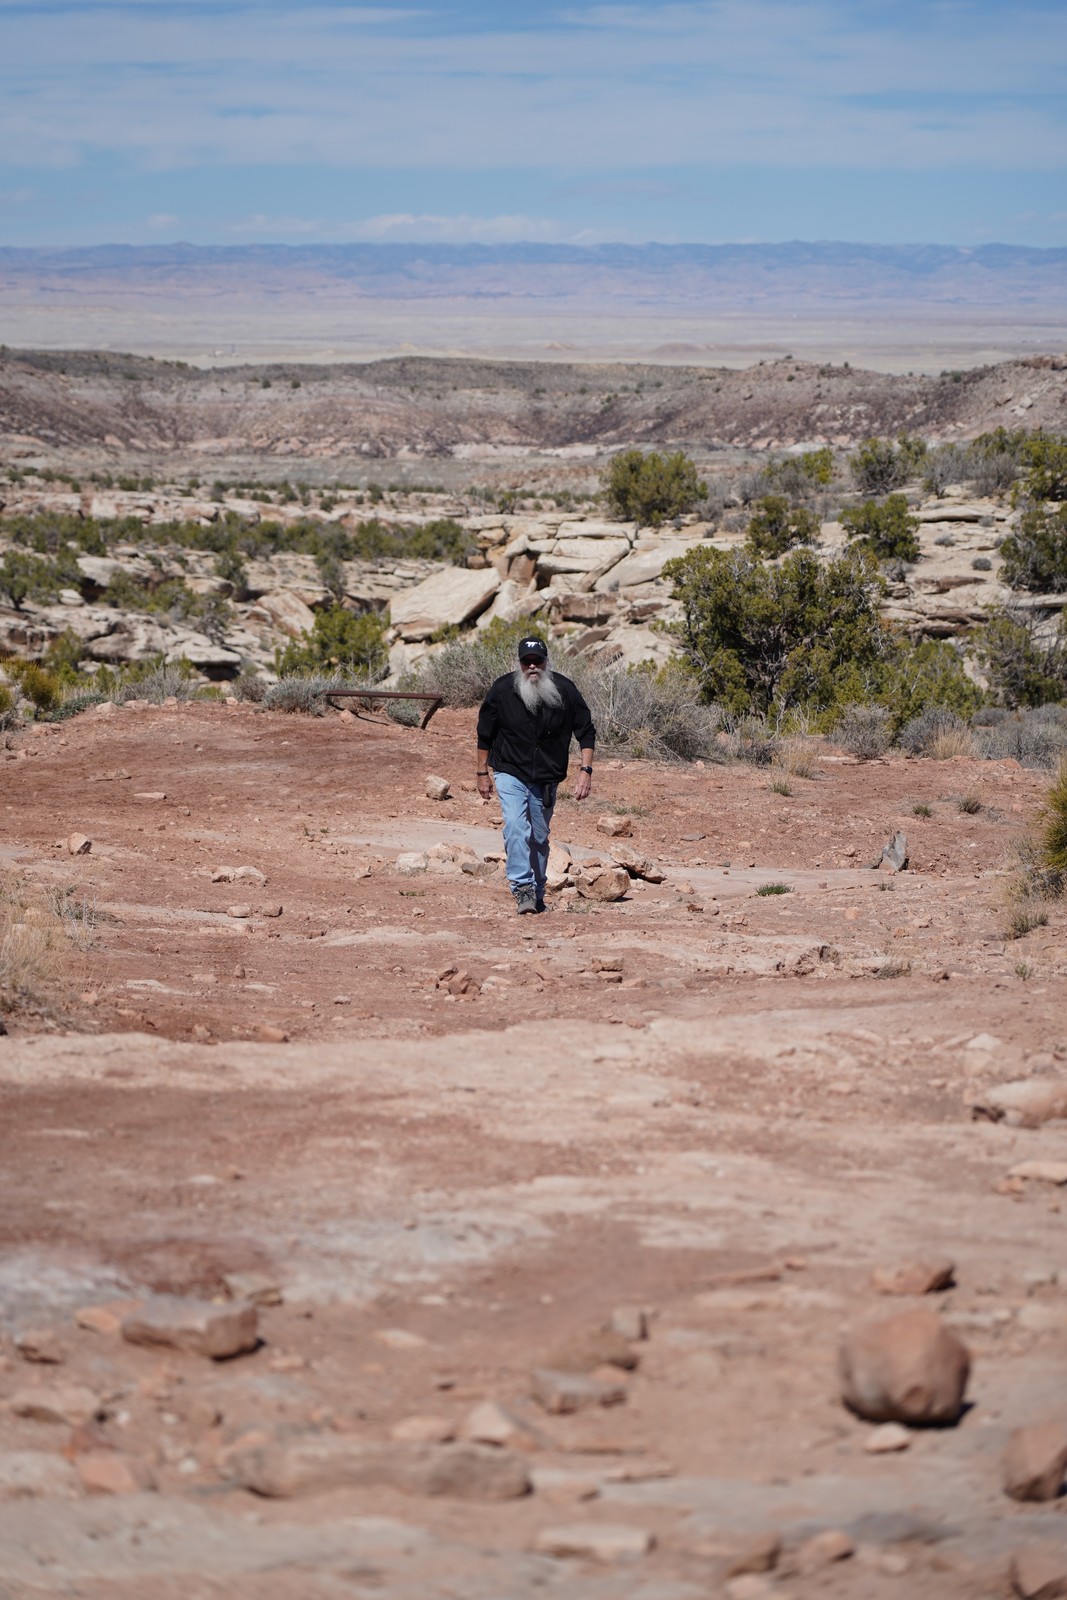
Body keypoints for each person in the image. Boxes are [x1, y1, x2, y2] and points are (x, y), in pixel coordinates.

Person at [476, 636, 596, 914]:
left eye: (537, 660)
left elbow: (586, 731)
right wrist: (482, 772)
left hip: (546, 776)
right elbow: (484, 734)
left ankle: (538, 891)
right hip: (510, 770)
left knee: (539, 838)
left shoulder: (565, 690)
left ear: (546, 661)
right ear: (519, 663)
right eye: (526, 661)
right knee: (516, 827)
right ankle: (522, 887)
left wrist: (585, 771)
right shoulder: (502, 690)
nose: (532, 666)